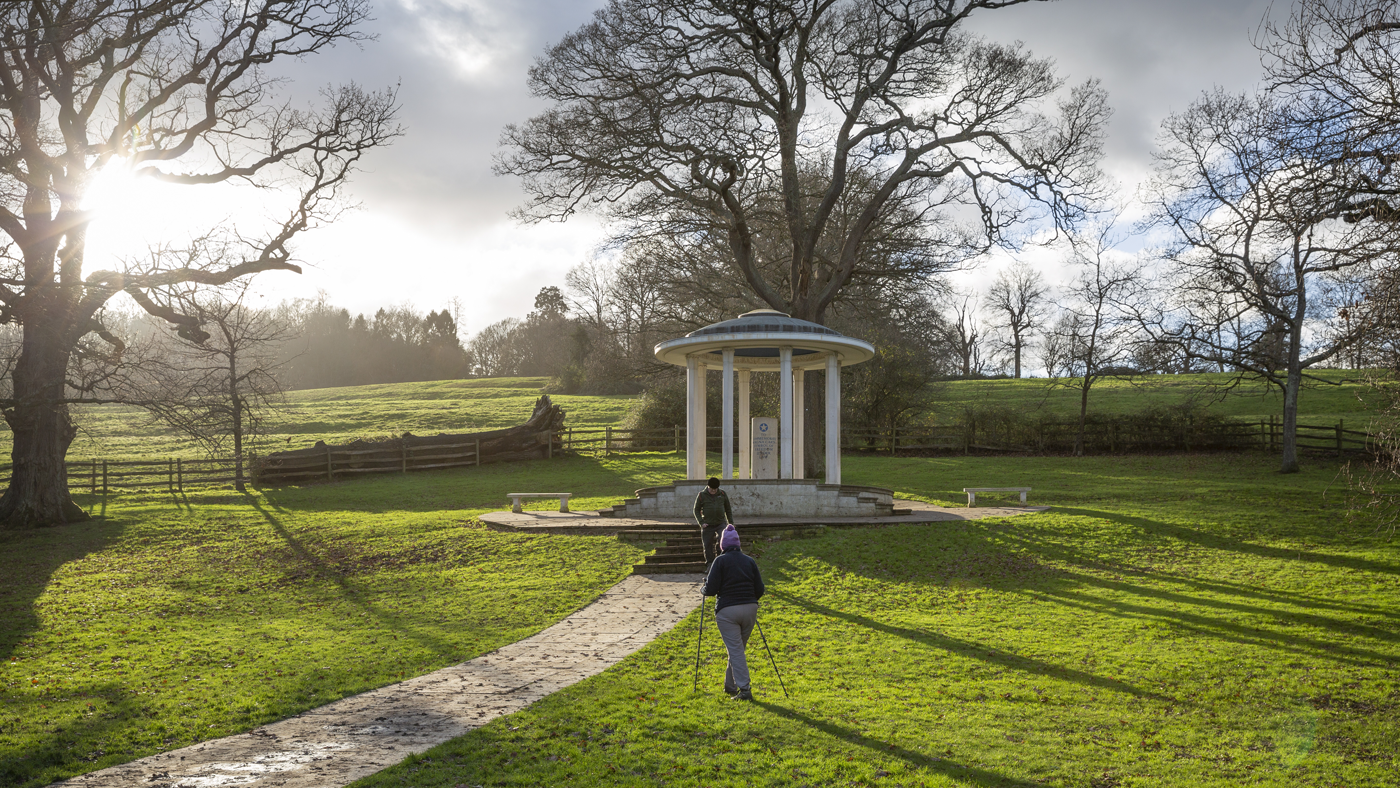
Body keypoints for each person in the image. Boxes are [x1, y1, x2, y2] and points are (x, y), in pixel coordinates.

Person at [702, 524, 765, 701]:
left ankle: (745, 690)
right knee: (737, 649)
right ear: (738, 544)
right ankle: (730, 686)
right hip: (750, 609)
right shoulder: (749, 561)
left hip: (728, 611)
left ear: (723, 545)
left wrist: (703, 588)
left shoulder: (720, 561)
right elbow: (760, 589)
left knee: (736, 650)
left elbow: (711, 590)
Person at [692, 476, 733, 566]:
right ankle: (709, 564)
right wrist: (701, 523)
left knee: (722, 542)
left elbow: (728, 509)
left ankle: (719, 562)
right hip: (707, 524)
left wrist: (731, 523)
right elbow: (696, 510)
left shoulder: (722, 494)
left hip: (721, 523)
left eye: (715, 489)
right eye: (712, 490)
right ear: (708, 487)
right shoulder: (701, 495)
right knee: (707, 545)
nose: (713, 491)